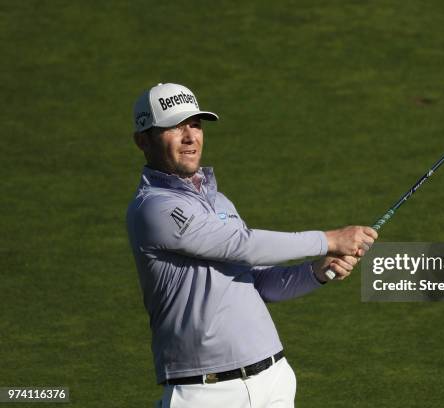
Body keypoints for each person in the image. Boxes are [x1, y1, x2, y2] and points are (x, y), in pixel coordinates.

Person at [126, 83, 377, 408]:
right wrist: (327, 239)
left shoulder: (220, 202)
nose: (190, 137)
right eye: (175, 127)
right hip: (205, 393)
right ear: (142, 140)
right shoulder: (152, 208)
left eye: (195, 125)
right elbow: (240, 246)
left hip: (272, 379)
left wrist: (316, 271)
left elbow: (260, 282)